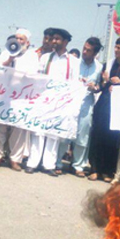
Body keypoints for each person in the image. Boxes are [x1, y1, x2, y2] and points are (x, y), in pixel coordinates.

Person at [27, 28, 79, 176]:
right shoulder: (45, 58)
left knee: (53, 134)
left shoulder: (74, 62)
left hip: (61, 102)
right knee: (38, 131)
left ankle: (48, 164)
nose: (54, 41)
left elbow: (74, 83)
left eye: (57, 39)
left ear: (66, 41)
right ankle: (32, 163)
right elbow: (38, 77)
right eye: (53, 39)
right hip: (44, 99)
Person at [0, 29, 39, 171]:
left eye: (21, 39)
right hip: (3, 95)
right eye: (16, 38)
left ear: (27, 43)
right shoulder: (6, 53)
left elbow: (32, 74)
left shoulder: (32, 56)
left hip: (21, 97)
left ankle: (15, 159)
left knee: (18, 129)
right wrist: (9, 60)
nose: (18, 41)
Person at [88, 37, 120, 182]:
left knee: (113, 137)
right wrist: (104, 81)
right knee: (98, 134)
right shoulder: (108, 64)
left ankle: (108, 170)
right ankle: (94, 169)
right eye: (115, 47)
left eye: (119, 48)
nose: (115, 50)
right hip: (104, 103)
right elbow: (101, 85)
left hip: (119, 105)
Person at [57, 37, 103, 177]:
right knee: (65, 131)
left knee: (83, 134)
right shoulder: (74, 63)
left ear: (95, 54)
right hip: (71, 101)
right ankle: (58, 162)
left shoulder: (99, 67)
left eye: (88, 50)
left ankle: (78, 165)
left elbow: (99, 87)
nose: (84, 52)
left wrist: (94, 87)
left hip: (87, 103)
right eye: (84, 48)